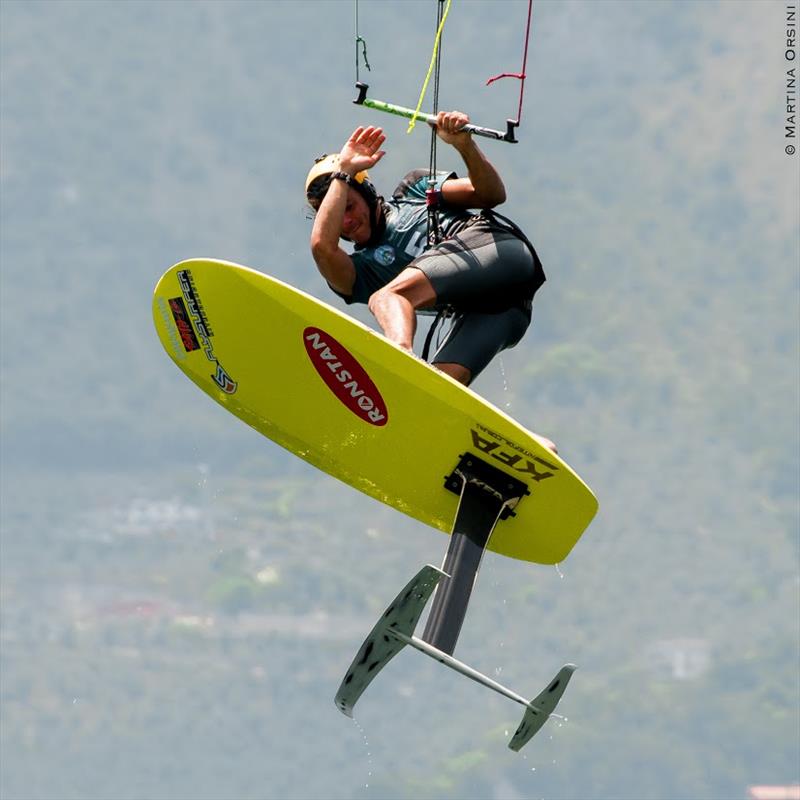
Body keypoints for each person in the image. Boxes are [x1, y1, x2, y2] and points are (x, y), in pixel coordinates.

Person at [305, 111, 546, 392]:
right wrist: (343, 174)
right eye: (337, 215)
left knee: (387, 297)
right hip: (502, 308)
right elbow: (322, 247)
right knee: (436, 388)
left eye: (350, 206)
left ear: (367, 193)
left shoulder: (413, 190)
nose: (346, 221)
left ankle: (400, 359)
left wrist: (464, 145)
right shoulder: (360, 274)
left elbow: (491, 194)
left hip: (501, 253)